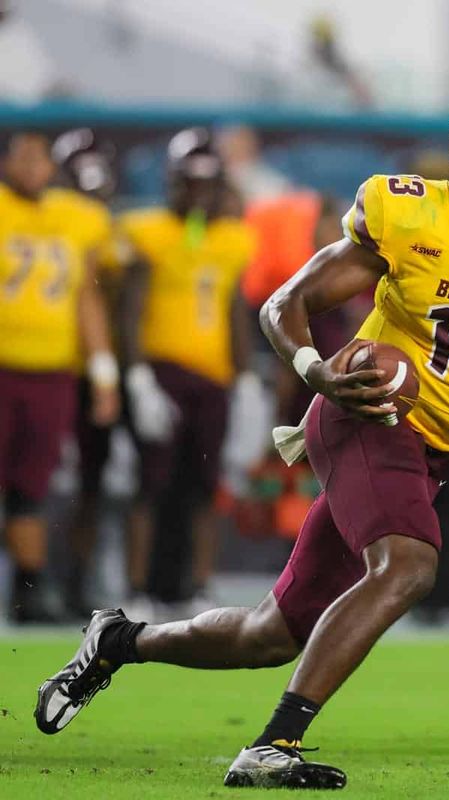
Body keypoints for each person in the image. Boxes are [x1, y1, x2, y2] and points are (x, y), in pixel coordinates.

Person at [34, 80, 449, 790]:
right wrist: (316, 372)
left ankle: (119, 640)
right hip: (366, 415)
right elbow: (290, 302)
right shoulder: (417, 216)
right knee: (408, 567)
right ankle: (273, 745)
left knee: (269, 636)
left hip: (433, 448)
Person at [116, 128, 259, 617]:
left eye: (205, 183)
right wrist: (135, 379)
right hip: (161, 373)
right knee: (150, 485)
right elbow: (130, 312)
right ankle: (136, 588)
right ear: (172, 181)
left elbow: (235, 311)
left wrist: (244, 383)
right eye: (188, 182)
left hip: (213, 379)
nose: (197, 193)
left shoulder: (234, 238)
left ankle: (197, 587)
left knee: (204, 486)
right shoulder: (147, 231)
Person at [0, 131, 120, 622]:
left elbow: (87, 298)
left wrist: (105, 372)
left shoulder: (78, 218)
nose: (33, 166)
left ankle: (29, 592)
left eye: (40, 157)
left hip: (52, 371)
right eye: (22, 156)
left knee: (32, 484)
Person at [52, 128, 131, 618]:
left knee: (90, 484)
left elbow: (115, 298)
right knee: (33, 481)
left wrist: (119, 370)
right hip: (48, 365)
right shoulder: (44, 222)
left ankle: (75, 583)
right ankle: (39, 581)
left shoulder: (107, 229)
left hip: (93, 371)